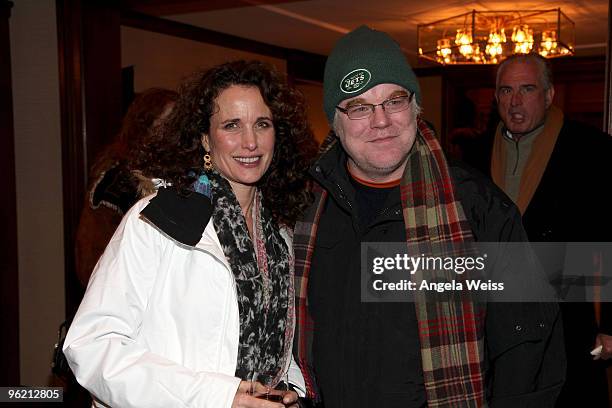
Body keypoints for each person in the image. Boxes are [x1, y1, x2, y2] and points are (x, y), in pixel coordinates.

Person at [292, 26, 564, 407]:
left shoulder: (479, 210)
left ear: (416, 107)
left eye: (395, 101)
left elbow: (530, 353)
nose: (381, 120)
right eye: (359, 107)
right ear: (335, 122)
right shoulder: (304, 212)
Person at [64, 60, 317, 408]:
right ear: (204, 139)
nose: (250, 142)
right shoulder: (157, 220)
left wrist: (290, 388)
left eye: (262, 124)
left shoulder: (280, 234)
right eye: (232, 125)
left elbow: (269, 342)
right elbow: (91, 346)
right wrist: (216, 396)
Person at [486, 53, 612, 408]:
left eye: (527, 89)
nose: (515, 101)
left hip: (566, 318)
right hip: (495, 324)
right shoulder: (475, 154)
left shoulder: (593, 150)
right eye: (506, 90)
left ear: (549, 95)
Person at [74, 87, 178, 287]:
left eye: (177, 126)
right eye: (164, 125)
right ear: (144, 128)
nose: (172, 135)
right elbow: (94, 257)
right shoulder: (117, 178)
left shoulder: (177, 173)